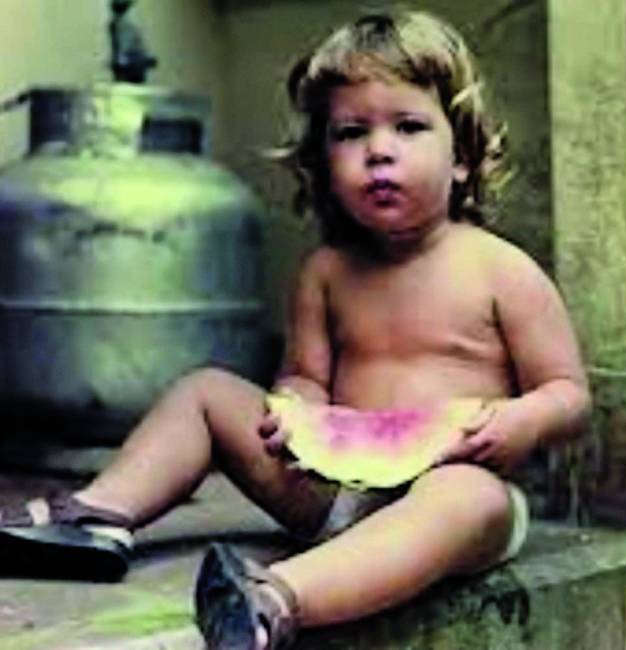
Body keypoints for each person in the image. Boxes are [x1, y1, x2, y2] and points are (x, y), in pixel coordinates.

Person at [0, 9, 591, 650]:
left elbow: (568, 393)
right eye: (351, 133)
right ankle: (100, 513)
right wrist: (296, 412)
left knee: (466, 498)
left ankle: (275, 600)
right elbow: (304, 376)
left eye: (409, 126)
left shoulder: (503, 270)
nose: (379, 150)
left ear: (463, 158)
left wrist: (524, 420)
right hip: (333, 493)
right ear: (323, 164)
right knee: (205, 393)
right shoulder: (326, 273)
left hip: (456, 493)